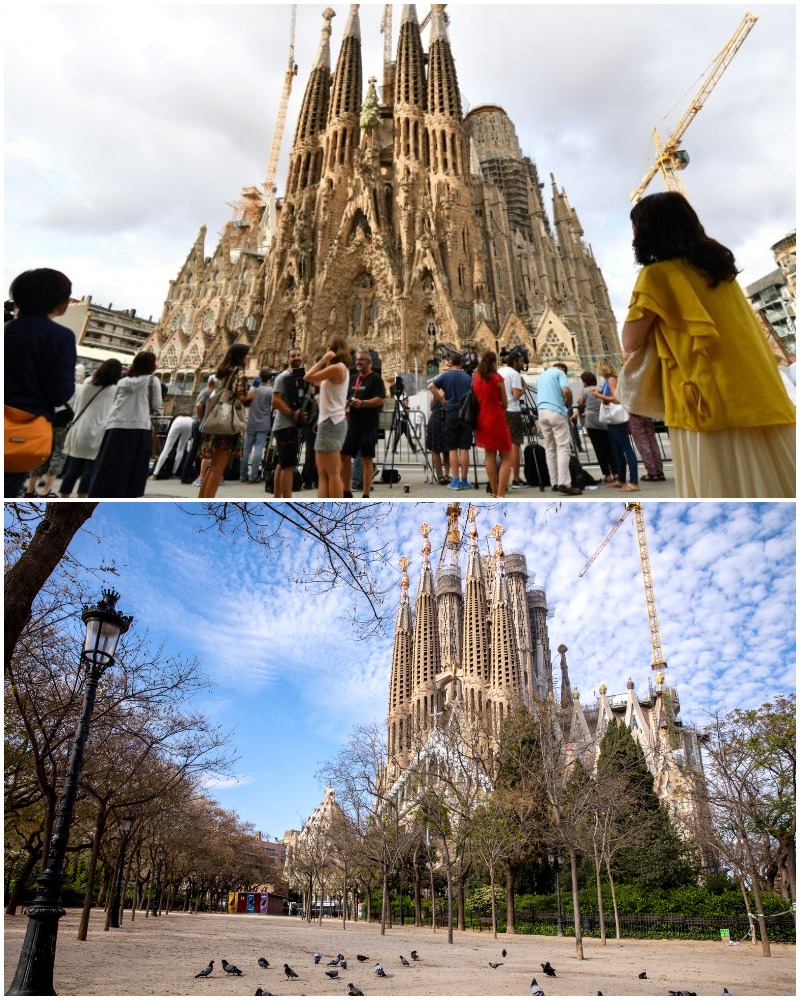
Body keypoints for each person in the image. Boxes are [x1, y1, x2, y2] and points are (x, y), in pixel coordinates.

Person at [621, 191, 795, 498]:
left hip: (706, 399)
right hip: (761, 395)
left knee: (723, 486)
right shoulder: (720, 271)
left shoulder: (657, 275)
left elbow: (630, 340)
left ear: (649, 230)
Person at [4, 268, 76, 498]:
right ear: (59, 302)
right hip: (19, 433)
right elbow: (59, 392)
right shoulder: (60, 337)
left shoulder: (7, 329)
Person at [88, 351, 162, 497]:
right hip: (139, 426)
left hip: (115, 426)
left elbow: (114, 401)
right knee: (134, 467)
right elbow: (156, 404)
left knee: (108, 465)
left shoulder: (122, 382)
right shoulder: (152, 381)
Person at [59, 358, 122, 497]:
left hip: (78, 427)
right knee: (90, 468)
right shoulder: (115, 390)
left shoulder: (87, 382)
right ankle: (82, 497)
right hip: (97, 431)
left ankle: (64, 496)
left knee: (73, 467)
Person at [197, 343, 251, 498]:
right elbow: (241, 397)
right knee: (217, 470)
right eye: (247, 354)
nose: (249, 357)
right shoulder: (238, 372)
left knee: (212, 468)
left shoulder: (222, 374)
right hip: (227, 427)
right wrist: (254, 394)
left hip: (216, 424)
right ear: (240, 356)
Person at [305, 336, 350, 498]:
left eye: (329, 347)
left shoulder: (337, 368)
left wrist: (323, 360)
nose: (326, 350)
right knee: (323, 473)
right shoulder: (338, 369)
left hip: (331, 423)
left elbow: (308, 377)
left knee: (331, 473)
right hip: (330, 421)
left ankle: (336, 508)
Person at [341, 350, 386, 499]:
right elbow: (347, 396)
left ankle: (366, 493)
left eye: (362, 360)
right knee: (344, 455)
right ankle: (346, 490)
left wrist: (364, 403)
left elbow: (380, 399)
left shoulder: (376, 379)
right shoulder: (353, 378)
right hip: (352, 424)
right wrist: (348, 402)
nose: (358, 362)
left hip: (368, 425)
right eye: (357, 360)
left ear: (369, 362)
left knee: (367, 459)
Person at [536, 362, 582, 496]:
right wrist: (569, 403)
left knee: (550, 448)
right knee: (563, 447)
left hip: (542, 412)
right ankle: (564, 483)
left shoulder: (543, 375)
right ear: (563, 369)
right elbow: (566, 391)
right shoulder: (560, 373)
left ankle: (554, 482)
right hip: (556, 411)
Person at [593, 360, 639, 493]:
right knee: (617, 449)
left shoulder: (612, 380)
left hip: (617, 419)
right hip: (612, 420)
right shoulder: (608, 380)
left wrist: (599, 396)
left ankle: (634, 482)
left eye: (599, 367)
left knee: (626, 449)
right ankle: (621, 479)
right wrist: (602, 397)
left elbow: (617, 399)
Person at [472, 350, 513, 498]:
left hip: (481, 420)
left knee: (489, 457)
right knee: (506, 457)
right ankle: (501, 494)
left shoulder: (476, 378)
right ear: (494, 362)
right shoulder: (497, 379)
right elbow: (506, 404)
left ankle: (494, 493)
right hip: (496, 419)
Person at [431, 353, 473, 491]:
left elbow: (431, 386)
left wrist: (441, 399)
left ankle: (455, 481)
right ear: (461, 364)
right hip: (466, 413)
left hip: (451, 412)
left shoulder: (446, 376)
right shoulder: (467, 377)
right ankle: (465, 480)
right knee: (465, 448)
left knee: (453, 448)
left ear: (450, 363)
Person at [271, 347, 306, 499]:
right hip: (286, 426)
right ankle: (287, 499)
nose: (296, 358)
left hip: (290, 426)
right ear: (288, 358)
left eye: (298, 355)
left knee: (282, 463)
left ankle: (277, 497)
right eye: (293, 356)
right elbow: (275, 400)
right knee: (289, 466)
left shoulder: (298, 377)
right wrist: (292, 414)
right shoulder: (283, 377)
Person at [575, 371, 618, 484]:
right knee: (609, 448)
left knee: (599, 449)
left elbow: (579, 402)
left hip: (592, 421)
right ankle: (616, 473)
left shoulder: (585, 390)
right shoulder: (600, 387)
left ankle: (607, 475)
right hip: (604, 420)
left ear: (584, 381)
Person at [498, 348, 527, 489]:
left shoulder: (500, 371)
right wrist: (525, 387)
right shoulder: (514, 374)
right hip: (513, 411)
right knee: (515, 444)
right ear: (515, 362)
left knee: (503, 445)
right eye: (521, 361)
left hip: (500, 410)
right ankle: (516, 478)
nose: (523, 364)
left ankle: (503, 477)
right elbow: (516, 395)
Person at [181, 375, 217, 486]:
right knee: (195, 449)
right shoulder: (208, 393)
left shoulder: (204, 391)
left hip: (196, 423)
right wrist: (202, 419)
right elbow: (199, 406)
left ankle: (192, 474)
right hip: (199, 424)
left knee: (196, 450)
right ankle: (186, 475)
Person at [240, 369, 273, 483]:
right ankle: (254, 475)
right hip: (263, 422)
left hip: (251, 421)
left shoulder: (253, 389)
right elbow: (273, 405)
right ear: (269, 379)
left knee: (246, 449)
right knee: (258, 449)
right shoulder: (270, 391)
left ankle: (243, 474)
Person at [149, 414, 193, 479]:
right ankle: (173, 473)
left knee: (166, 449)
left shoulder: (176, 418)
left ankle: (155, 474)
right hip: (190, 421)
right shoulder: (189, 416)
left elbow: (168, 433)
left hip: (178, 421)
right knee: (181, 449)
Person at [426, 393, 451, 485]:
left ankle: (440, 476)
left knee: (435, 450)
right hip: (446, 420)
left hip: (434, 420)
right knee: (447, 450)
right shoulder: (448, 391)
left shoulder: (434, 392)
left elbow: (431, 407)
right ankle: (447, 475)